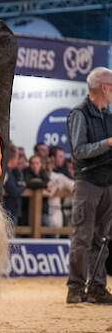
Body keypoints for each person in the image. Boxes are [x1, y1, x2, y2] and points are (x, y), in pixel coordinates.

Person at [66, 67, 112, 305]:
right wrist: (107, 143)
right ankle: (75, 287)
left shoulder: (108, 115)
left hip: (107, 183)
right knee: (82, 237)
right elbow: (79, 150)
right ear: (104, 87)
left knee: (101, 238)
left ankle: (96, 287)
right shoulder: (79, 113)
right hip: (87, 183)